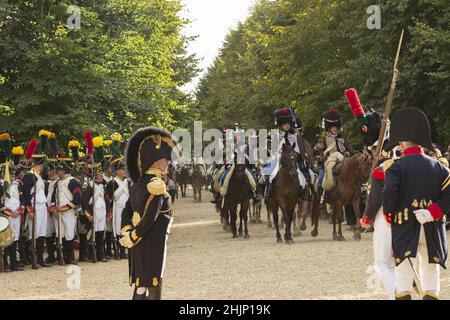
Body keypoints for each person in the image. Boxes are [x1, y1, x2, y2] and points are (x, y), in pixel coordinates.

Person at [383, 108, 450, 300]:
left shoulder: (395, 167)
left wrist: (389, 215)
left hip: (404, 226)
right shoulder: (439, 166)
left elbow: (389, 195)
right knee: (430, 276)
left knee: (403, 276)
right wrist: (433, 212)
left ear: (402, 142)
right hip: (432, 225)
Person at [120, 127, 177, 300]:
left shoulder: (137, 184)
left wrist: (127, 232)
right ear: (154, 163)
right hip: (152, 242)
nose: (167, 163)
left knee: (140, 286)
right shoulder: (156, 184)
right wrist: (134, 235)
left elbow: (126, 210)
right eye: (164, 160)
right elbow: (150, 217)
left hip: (138, 241)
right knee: (153, 284)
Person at [264, 108, 310, 199]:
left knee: (301, 175)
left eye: (288, 124)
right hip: (279, 159)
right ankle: (268, 190)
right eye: (285, 124)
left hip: (292, 158)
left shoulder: (295, 135)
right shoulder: (276, 135)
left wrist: (296, 155)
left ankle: (302, 191)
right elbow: (274, 150)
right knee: (271, 173)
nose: (287, 126)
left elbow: (297, 148)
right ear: (281, 125)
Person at [49, 158, 82, 265]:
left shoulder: (73, 182)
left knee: (69, 234)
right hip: (57, 213)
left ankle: (70, 257)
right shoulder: (57, 183)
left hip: (68, 212)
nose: (58, 172)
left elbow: (77, 199)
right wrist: (54, 208)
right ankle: (60, 257)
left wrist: (63, 208)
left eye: (60, 170)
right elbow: (53, 198)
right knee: (60, 234)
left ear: (65, 171)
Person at [315, 108, 353, 194]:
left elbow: (350, 150)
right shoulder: (323, 139)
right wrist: (322, 153)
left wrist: (347, 153)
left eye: (335, 127)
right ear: (329, 128)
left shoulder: (342, 139)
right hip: (327, 162)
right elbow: (318, 151)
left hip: (341, 162)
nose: (334, 129)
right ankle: (321, 198)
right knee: (320, 179)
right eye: (332, 128)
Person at [23, 153, 50, 268]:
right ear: (35, 165)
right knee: (34, 234)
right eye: (40, 164)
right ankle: (32, 258)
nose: (42, 167)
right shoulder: (29, 176)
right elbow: (26, 194)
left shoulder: (39, 177)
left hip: (42, 206)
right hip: (34, 207)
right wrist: (29, 210)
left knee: (41, 233)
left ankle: (40, 259)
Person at [81, 166, 111, 263]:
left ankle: (100, 255)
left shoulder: (103, 186)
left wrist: (108, 213)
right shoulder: (88, 186)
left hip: (102, 212)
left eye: (101, 175)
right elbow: (84, 203)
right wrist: (88, 215)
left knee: (100, 234)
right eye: (98, 175)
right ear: (94, 176)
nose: (101, 176)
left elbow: (107, 200)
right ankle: (91, 254)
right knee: (91, 234)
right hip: (93, 213)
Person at [2, 166, 25, 272]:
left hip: (17, 215)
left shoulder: (18, 185)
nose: (12, 176)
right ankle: (5, 264)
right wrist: (10, 213)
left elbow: (23, 199)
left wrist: (20, 210)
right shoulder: (2, 185)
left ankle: (14, 264)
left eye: (13, 174)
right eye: (10, 174)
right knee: (6, 240)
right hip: (6, 216)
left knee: (15, 238)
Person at [106, 162, 130, 259]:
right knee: (118, 230)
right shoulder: (112, 183)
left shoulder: (127, 182)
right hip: (117, 209)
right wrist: (124, 185)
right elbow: (114, 197)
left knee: (125, 229)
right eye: (122, 169)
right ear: (117, 171)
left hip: (126, 208)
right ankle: (118, 251)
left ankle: (123, 250)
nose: (125, 171)